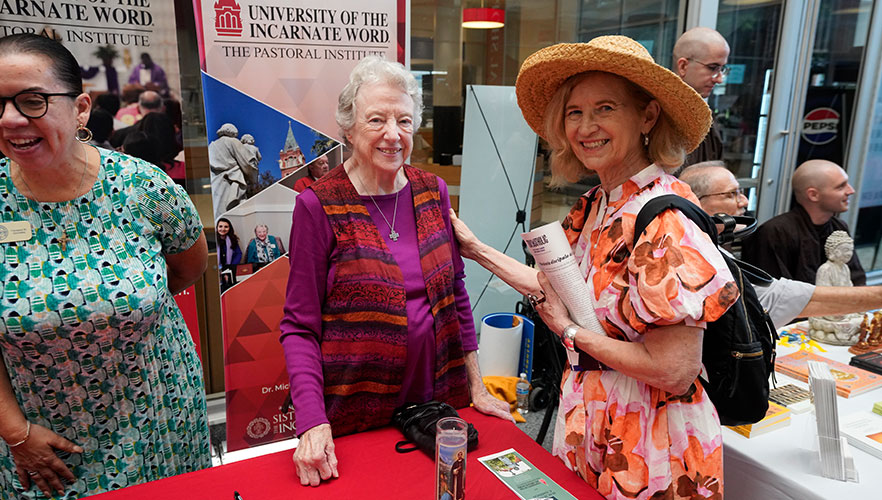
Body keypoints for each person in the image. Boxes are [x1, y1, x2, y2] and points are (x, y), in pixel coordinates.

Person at [450, 36, 738, 499]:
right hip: (594, 424)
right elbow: (556, 291)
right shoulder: (597, 205)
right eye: (575, 112)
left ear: (647, 116)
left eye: (606, 108)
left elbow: (674, 371)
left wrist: (570, 335)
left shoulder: (664, 218)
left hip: (653, 442)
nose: (587, 127)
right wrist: (475, 249)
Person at [279, 56, 512, 488]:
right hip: (357, 412)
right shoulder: (318, 206)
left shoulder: (431, 191)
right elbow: (299, 326)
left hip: (439, 400)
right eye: (376, 120)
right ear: (348, 129)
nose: (392, 134)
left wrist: (477, 387)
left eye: (404, 120)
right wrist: (311, 422)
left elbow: (455, 292)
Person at [0, 33, 210, 498]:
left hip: (164, 417)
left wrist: (122, 308)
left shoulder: (141, 186)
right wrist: (16, 433)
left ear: (79, 109)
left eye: (32, 101)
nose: (11, 119)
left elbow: (188, 267)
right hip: (43, 441)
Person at [681, 162, 882, 328]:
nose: (744, 202)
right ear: (693, 202)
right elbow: (775, 298)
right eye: (731, 194)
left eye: (741, 192)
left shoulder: (716, 251)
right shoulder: (688, 256)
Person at [742, 159, 866, 286]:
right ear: (813, 195)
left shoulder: (839, 227)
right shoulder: (775, 233)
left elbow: (856, 278)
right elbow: (775, 293)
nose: (851, 191)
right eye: (841, 186)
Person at [672, 27, 730, 167]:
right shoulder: (655, 115)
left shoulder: (706, 118)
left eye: (722, 69)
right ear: (683, 66)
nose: (719, 79)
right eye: (712, 68)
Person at [208, 123, 259, 220]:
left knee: (218, 209)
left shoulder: (211, 145)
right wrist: (254, 177)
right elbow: (246, 163)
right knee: (232, 209)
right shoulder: (232, 142)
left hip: (215, 182)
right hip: (232, 181)